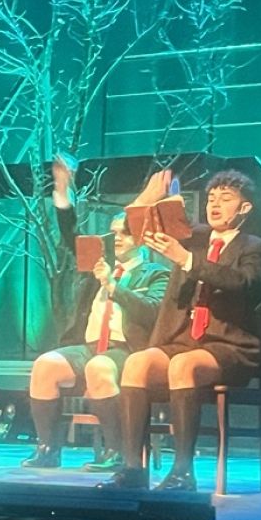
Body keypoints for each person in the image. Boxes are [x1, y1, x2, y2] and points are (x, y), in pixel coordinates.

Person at [102, 169, 261, 491]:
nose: (215, 205)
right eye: (211, 198)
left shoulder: (255, 247)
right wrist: (148, 197)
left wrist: (187, 260)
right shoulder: (194, 235)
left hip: (229, 347)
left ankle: (183, 472)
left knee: (183, 365)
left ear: (245, 208)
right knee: (136, 363)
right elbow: (138, 230)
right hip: (183, 340)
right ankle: (132, 469)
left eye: (225, 199)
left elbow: (242, 282)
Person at [21, 155, 170, 472]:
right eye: (114, 232)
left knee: (100, 367)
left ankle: (115, 452)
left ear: (141, 238)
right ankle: (48, 449)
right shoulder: (99, 263)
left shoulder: (157, 273)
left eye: (125, 233)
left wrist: (113, 286)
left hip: (127, 351)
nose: (117, 238)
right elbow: (71, 236)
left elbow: (151, 311)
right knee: (45, 365)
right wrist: (62, 191)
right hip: (89, 346)